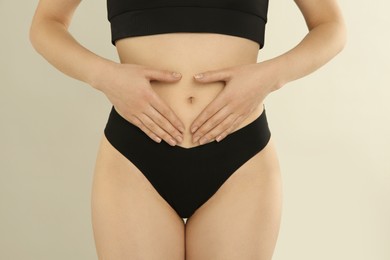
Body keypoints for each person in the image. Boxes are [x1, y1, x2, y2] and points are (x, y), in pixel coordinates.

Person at [29, 0, 346, 259]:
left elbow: (331, 26)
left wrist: (269, 78)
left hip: (240, 157)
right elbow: (46, 24)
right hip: (134, 156)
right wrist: (105, 77)